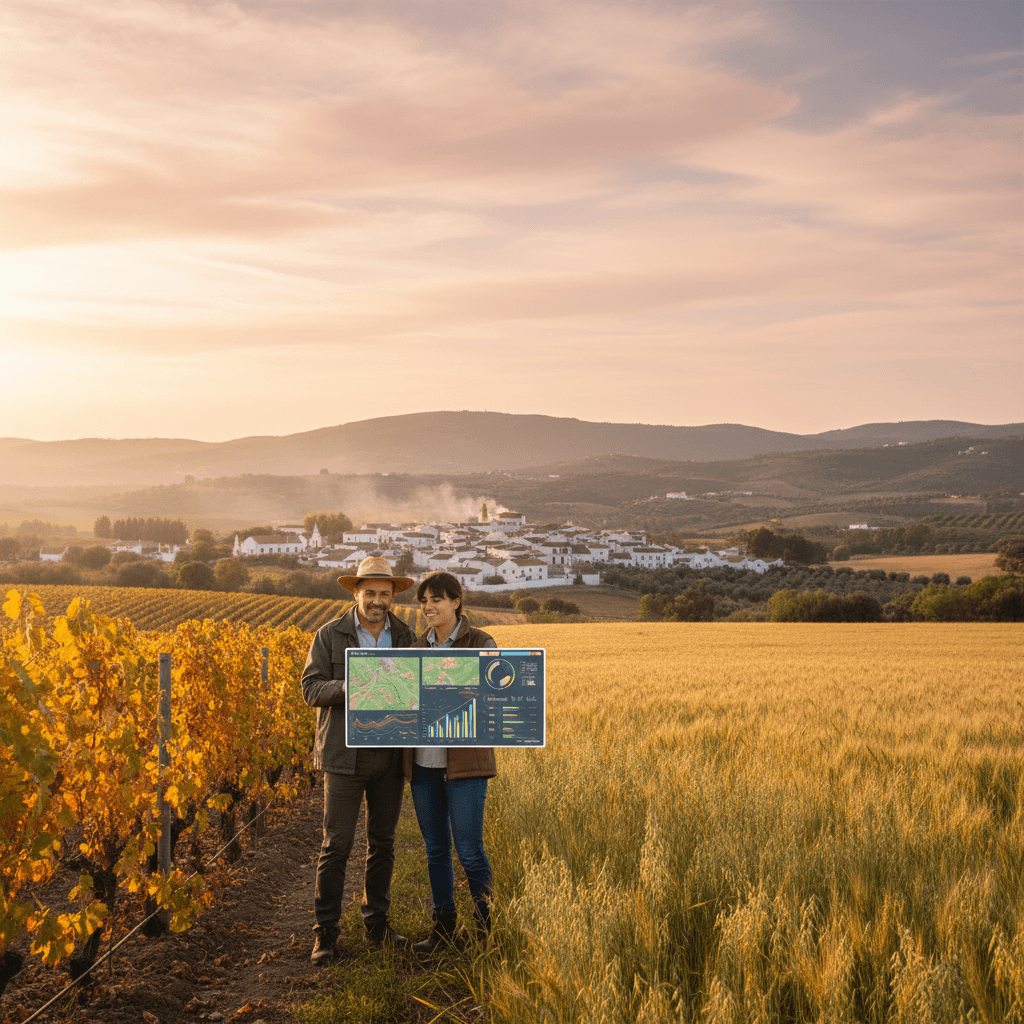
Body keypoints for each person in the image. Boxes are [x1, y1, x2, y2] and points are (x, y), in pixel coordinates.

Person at [301, 556, 417, 965]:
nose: (378, 601)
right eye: (370, 593)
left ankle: (377, 924)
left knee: (382, 844)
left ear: (393, 597)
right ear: (356, 594)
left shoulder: (405, 636)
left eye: (385, 594)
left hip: (389, 755)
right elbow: (311, 688)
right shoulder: (330, 635)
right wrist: (352, 687)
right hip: (344, 756)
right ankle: (326, 933)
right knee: (337, 845)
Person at [403, 571, 498, 954]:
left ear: (456, 602)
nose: (428, 607)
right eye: (423, 601)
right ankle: (443, 928)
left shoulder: (481, 642)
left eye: (436, 600)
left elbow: (496, 699)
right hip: (425, 767)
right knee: (435, 850)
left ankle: (486, 929)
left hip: (466, 767)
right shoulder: (413, 650)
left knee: (470, 850)